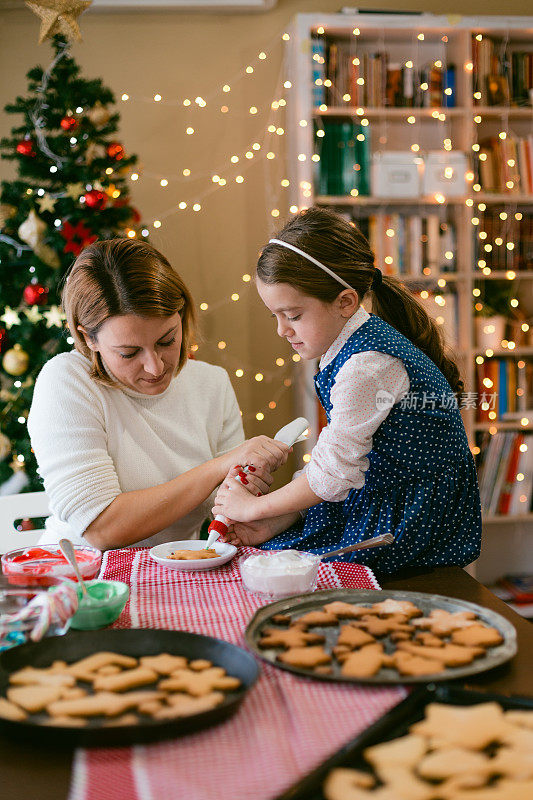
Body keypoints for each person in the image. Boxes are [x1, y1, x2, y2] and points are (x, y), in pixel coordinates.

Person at [213, 207, 482, 575]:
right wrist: (276, 517)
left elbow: (333, 473)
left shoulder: (367, 366)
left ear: (345, 301)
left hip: (408, 518)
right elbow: (334, 458)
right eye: (274, 315)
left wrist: (255, 508)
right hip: (376, 496)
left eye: (292, 315)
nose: (282, 331)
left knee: (287, 574)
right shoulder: (349, 346)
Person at [28, 239, 289, 550]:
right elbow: (101, 529)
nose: (154, 367)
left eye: (167, 340)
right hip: (80, 578)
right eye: (129, 352)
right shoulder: (67, 381)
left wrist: (247, 494)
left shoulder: (211, 384)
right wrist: (219, 467)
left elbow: (230, 506)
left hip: (173, 573)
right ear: (89, 338)